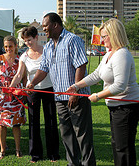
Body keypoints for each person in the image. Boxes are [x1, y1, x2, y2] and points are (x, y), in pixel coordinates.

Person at [66, 18, 139, 166]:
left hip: (126, 107)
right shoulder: (109, 54)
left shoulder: (122, 55)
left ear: (114, 35)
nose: (102, 40)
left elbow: (120, 85)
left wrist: (98, 96)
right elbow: (96, 75)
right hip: (116, 108)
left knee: (122, 147)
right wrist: (77, 86)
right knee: (117, 144)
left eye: (104, 36)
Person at [27, 12, 96, 166]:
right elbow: (43, 69)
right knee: (66, 134)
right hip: (60, 98)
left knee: (82, 135)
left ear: (55, 25)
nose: (44, 29)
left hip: (77, 97)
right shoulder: (49, 46)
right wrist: (33, 83)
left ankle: (88, 164)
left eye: (46, 26)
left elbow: (80, 65)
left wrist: (75, 91)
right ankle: (73, 163)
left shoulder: (72, 40)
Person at [9, 26, 60, 163]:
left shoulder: (47, 51)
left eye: (30, 40)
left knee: (50, 121)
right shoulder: (24, 56)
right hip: (32, 91)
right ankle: (35, 154)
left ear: (36, 37)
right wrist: (10, 87)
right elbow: (19, 74)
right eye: (25, 41)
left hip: (49, 89)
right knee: (34, 123)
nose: (28, 43)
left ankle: (53, 154)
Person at [0, 35, 27, 159]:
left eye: (11, 46)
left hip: (16, 95)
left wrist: (24, 92)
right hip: (1, 95)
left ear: (15, 46)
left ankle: (18, 149)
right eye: (6, 46)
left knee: (16, 124)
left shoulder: (21, 59)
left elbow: (23, 78)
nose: (8, 49)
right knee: (1, 123)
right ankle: (2, 149)